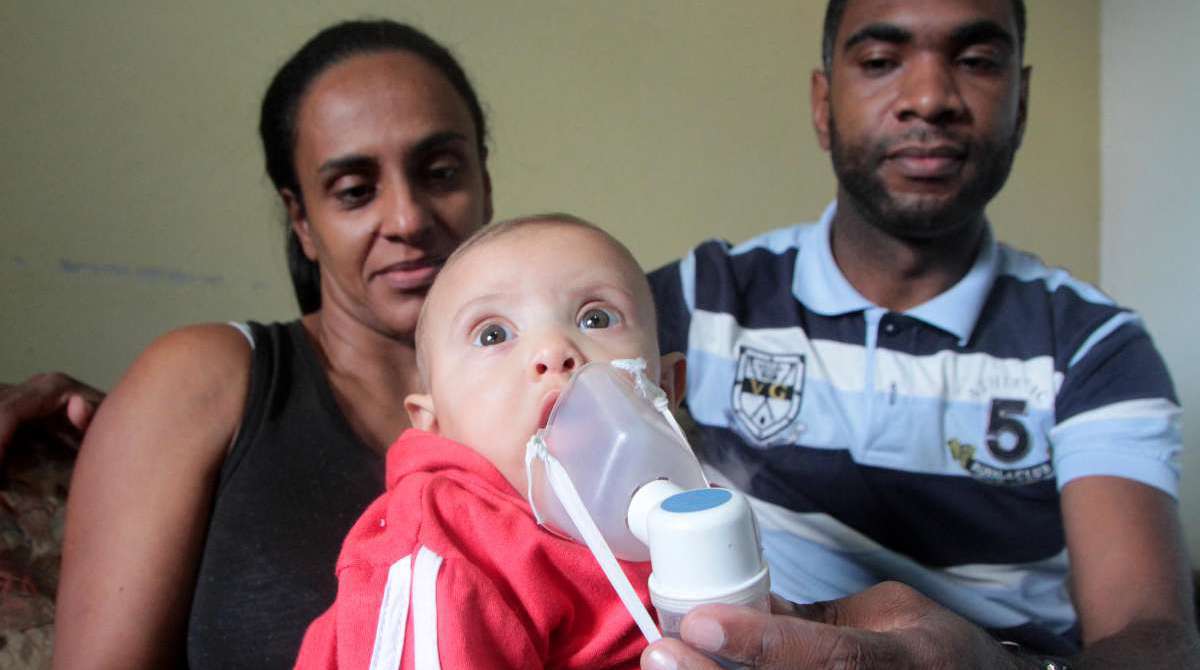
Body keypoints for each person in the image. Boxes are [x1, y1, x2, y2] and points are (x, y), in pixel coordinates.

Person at [641, 0, 1198, 668]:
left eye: (977, 61)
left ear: (1021, 106)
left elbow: (1152, 639)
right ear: (824, 105)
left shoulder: (1094, 348)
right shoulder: (701, 298)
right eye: (880, 61)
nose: (930, 98)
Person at [52, 20, 493, 669]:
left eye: (441, 171)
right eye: (354, 191)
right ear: (302, 220)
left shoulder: (555, 393)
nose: (407, 218)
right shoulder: (205, 378)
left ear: (484, 183)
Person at [294, 214, 687, 669]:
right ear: (433, 424)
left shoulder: (690, 506)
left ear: (667, 388)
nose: (553, 351)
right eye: (493, 334)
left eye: (596, 317)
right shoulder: (447, 546)